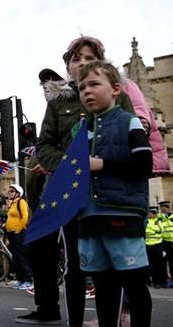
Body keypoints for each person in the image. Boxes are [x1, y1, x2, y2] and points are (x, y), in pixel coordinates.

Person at [20, 36, 136, 326]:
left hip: (108, 189)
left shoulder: (118, 96)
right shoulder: (58, 102)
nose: (82, 64)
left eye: (89, 58)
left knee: (110, 264)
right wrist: (69, 166)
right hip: (70, 189)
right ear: (68, 67)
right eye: (76, 59)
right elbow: (44, 144)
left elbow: (131, 138)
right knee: (76, 262)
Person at [75, 61, 153, 327]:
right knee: (102, 286)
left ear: (116, 89)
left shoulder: (129, 121)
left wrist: (104, 164)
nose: (87, 91)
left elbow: (144, 165)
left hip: (122, 213)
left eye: (95, 84)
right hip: (89, 217)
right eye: (81, 87)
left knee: (133, 283)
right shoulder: (81, 130)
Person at [3, 184, 32, 290]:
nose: (9, 193)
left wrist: (18, 229)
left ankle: (28, 280)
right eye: (9, 191)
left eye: (11, 191)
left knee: (21, 256)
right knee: (15, 257)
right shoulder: (12, 204)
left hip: (19, 233)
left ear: (17, 193)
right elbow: (9, 218)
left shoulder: (21, 202)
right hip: (12, 233)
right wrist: (5, 226)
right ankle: (21, 280)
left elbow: (25, 217)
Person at [145, 206, 165, 288]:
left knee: (158, 264)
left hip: (157, 244)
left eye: (154, 213)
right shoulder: (146, 221)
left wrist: (150, 230)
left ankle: (158, 282)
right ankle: (151, 281)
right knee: (149, 264)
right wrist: (153, 230)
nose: (153, 214)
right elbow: (145, 231)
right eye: (151, 213)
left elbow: (160, 231)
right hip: (147, 245)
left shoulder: (158, 221)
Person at [158, 201, 172, 288]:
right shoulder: (159, 217)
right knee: (163, 263)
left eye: (167, 207)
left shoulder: (172, 217)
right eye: (164, 207)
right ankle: (165, 280)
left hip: (172, 242)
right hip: (163, 242)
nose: (165, 208)